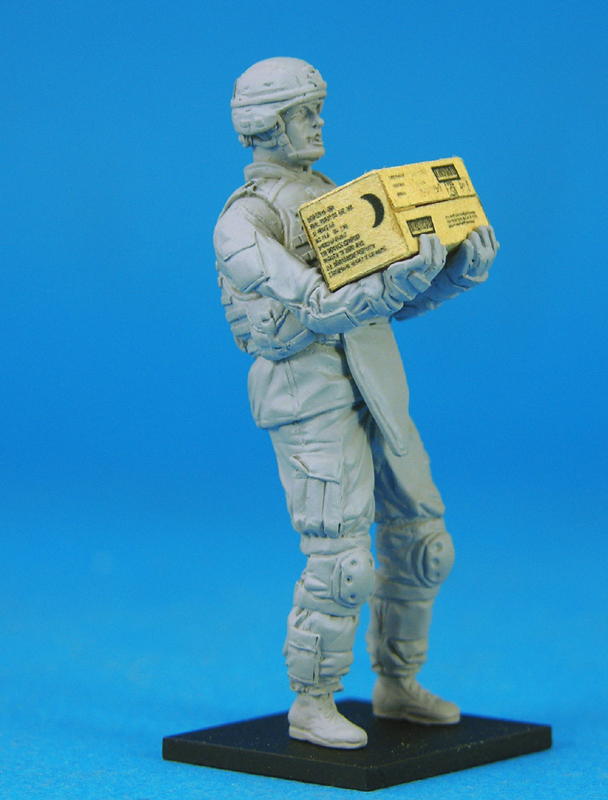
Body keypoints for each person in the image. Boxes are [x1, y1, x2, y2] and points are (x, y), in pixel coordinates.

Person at [213, 57, 499, 749]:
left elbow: (379, 308)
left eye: (318, 108)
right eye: (305, 112)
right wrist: (397, 281)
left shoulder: (331, 196)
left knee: (424, 543)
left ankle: (397, 681)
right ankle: (312, 701)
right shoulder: (242, 222)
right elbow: (316, 304)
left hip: (374, 379)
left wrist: (451, 273)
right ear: (268, 123)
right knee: (342, 562)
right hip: (307, 394)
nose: (318, 123)